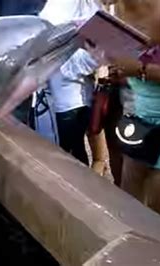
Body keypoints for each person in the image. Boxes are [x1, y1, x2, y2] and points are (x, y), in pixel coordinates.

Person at [101, 0, 160, 221]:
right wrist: (123, 73)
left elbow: (144, 67)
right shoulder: (115, 9)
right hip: (141, 114)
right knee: (129, 201)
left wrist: (142, 70)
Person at [39, 0, 102, 165]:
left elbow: (94, 53)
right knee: (66, 154)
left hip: (77, 97)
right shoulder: (58, 7)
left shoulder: (90, 6)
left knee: (73, 154)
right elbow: (62, 57)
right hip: (60, 97)